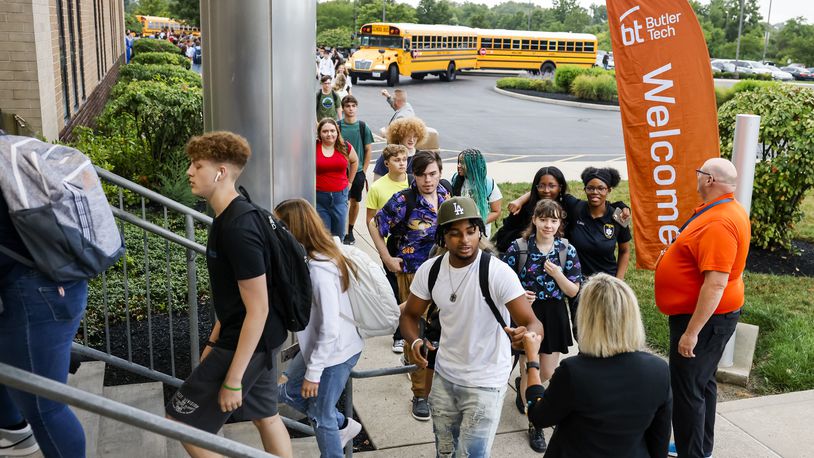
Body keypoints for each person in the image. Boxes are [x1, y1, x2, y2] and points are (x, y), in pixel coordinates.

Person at [167, 131, 293, 458]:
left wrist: (233, 379)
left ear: (220, 172)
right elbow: (234, 301)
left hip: (249, 341)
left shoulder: (239, 228)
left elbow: (258, 308)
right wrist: (211, 341)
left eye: (197, 166)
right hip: (258, 338)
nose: (189, 172)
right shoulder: (229, 217)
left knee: (181, 422)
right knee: (266, 416)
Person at [400, 196, 543, 457]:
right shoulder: (430, 271)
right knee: (445, 451)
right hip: (444, 375)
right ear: (443, 237)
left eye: (470, 231)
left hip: (486, 381)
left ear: (480, 231)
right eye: (455, 233)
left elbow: (533, 323)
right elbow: (409, 316)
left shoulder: (498, 273)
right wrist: (416, 341)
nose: (464, 240)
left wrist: (526, 334)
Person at [655, 158, 750, 458]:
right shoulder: (723, 210)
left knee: (687, 392)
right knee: (703, 382)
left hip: (702, 321)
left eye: (699, 174)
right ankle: (698, 447)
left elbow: (716, 283)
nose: (695, 178)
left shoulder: (720, 222)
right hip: (707, 317)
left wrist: (691, 332)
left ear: (709, 180)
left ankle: (691, 452)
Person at [523, 273, 672, 457]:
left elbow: (539, 416)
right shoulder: (659, 370)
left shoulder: (573, 372)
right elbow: (659, 440)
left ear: (586, 318)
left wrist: (532, 360)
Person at [0, 197, 91, 456]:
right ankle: (13, 430)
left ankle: (15, 430)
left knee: (46, 407)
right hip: (57, 280)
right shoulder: (17, 158)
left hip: (31, 291)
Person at [274, 199, 364, 457]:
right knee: (289, 392)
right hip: (320, 347)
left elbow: (330, 327)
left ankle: (333, 431)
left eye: (279, 226)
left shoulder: (320, 269)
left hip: (336, 353)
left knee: (321, 415)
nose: (275, 231)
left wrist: (313, 373)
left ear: (294, 229)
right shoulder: (313, 258)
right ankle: (342, 425)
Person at [368, 151, 450, 421]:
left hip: (445, 271)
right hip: (413, 274)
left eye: (432, 174)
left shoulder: (445, 196)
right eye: (421, 174)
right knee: (417, 328)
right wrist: (387, 258)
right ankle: (420, 394)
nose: (427, 180)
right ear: (413, 175)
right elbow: (374, 224)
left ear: (439, 172)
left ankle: (422, 368)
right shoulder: (404, 199)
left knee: (439, 330)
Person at [502, 199, 582, 453]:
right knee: (530, 368)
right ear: (534, 219)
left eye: (554, 220)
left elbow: (573, 290)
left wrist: (558, 274)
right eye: (544, 219)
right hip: (528, 314)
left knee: (546, 371)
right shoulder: (519, 247)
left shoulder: (566, 250)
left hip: (555, 314)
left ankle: (524, 387)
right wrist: (518, 294)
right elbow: (501, 282)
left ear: (560, 223)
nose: (548, 225)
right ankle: (534, 422)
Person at [365, 144, 410, 349]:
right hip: (395, 244)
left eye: (404, 159)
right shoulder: (378, 188)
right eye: (397, 160)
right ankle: (399, 335)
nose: (402, 163)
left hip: (417, 243)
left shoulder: (413, 182)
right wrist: (385, 256)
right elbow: (371, 221)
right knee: (397, 290)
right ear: (386, 163)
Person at [337, 95, 373, 245]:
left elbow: (368, 150)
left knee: (354, 201)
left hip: (357, 171)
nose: (350, 109)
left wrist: (363, 171)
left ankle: (350, 230)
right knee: (340, 202)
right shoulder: (338, 126)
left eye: (353, 106)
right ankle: (339, 230)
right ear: (343, 108)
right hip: (340, 171)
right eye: (347, 106)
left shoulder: (363, 127)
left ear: (356, 108)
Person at [315, 118, 358, 239]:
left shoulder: (345, 146)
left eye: (332, 130)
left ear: (337, 132)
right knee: (324, 236)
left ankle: (338, 257)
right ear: (319, 133)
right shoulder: (313, 147)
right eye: (325, 131)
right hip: (319, 198)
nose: (329, 134)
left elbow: (354, 161)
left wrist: (350, 182)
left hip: (340, 197)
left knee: (339, 235)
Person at [450, 148, 503, 238]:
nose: (458, 166)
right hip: (459, 229)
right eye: (458, 162)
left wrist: (478, 222)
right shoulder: (455, 179)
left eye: (462, 163)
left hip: (481, 233)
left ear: (473, 165)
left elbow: (496, 211)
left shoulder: (488, 183)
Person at [372, 116, 427, 182]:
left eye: (415, 136)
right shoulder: (387, 156)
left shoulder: (421, 157)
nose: (411, 139)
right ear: (399, 136)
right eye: (408, 136)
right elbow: (377, 182)